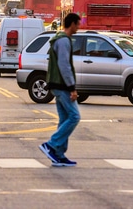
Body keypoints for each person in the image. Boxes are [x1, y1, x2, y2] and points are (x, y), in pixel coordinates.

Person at [40, 12, 81, 167]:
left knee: (65, 119)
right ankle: (51, 144)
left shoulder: (60, 38)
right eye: (78, 24)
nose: (79, 27)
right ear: (72, 24)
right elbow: (65, 65)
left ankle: (59, 154)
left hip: (56, 84)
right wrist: (72, 88)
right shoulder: (64, 41)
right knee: (74, 116)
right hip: (61, 84)